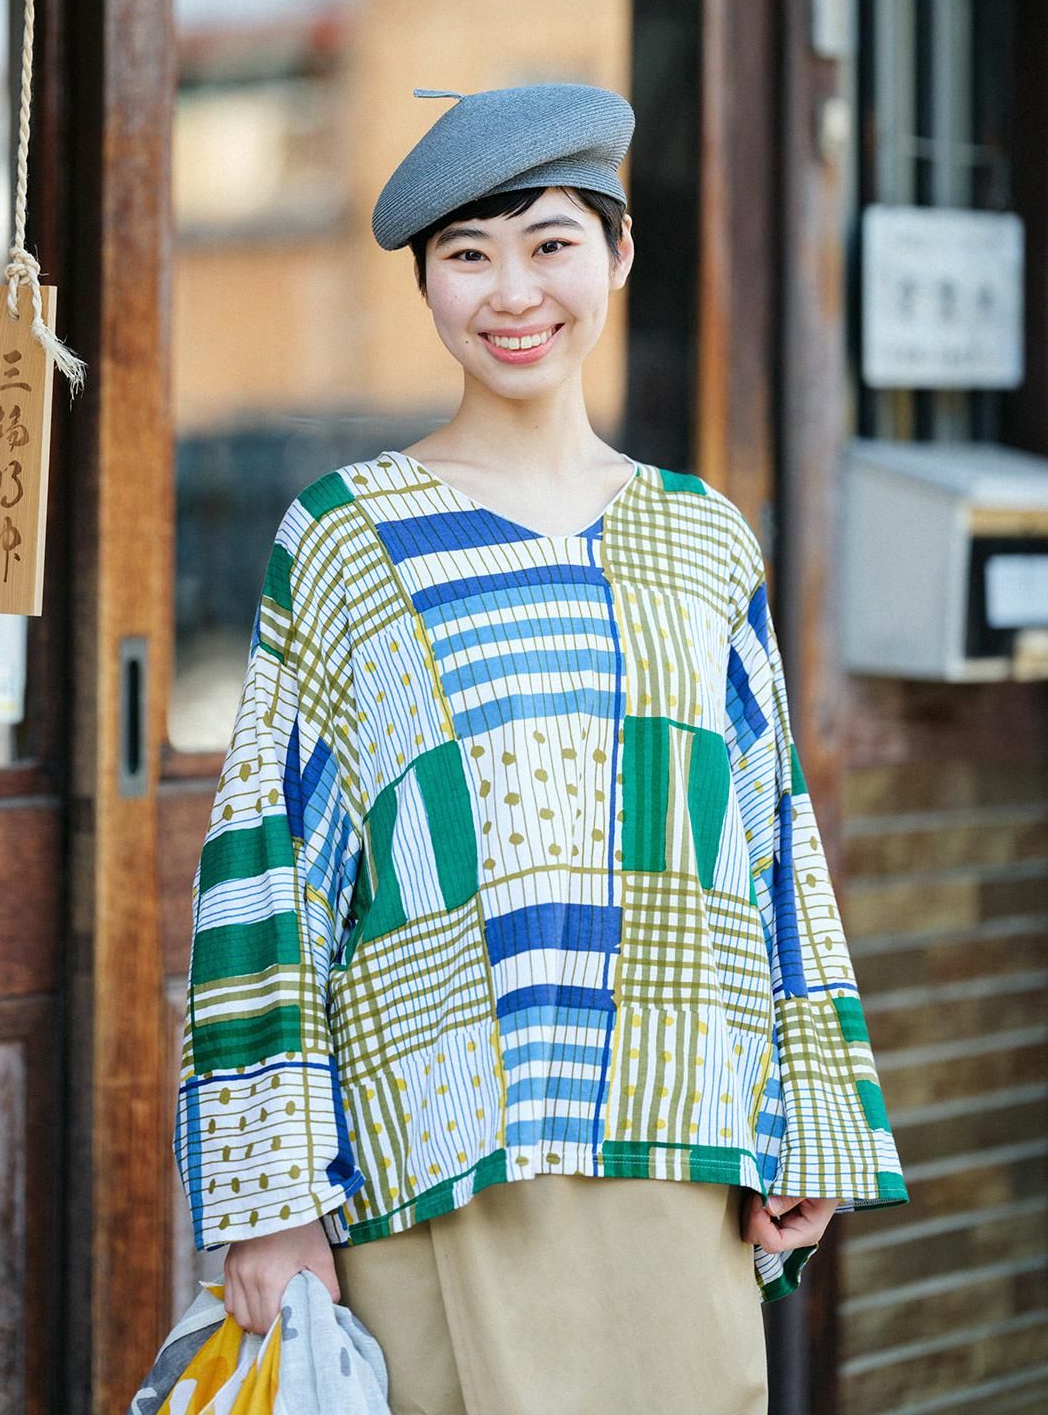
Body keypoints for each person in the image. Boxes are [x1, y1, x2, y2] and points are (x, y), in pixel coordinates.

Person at [174, 83, 909, 1414]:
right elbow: (265, 876)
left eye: (550, 243)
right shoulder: (349, 538)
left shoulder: (704, 540)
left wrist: (810, 1118)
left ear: (618, 254)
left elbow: (772, 848)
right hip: (435, 1156)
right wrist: (269, 1204)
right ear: (424, 282)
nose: (512, 292)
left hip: (682, 1157)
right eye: (468, 254)